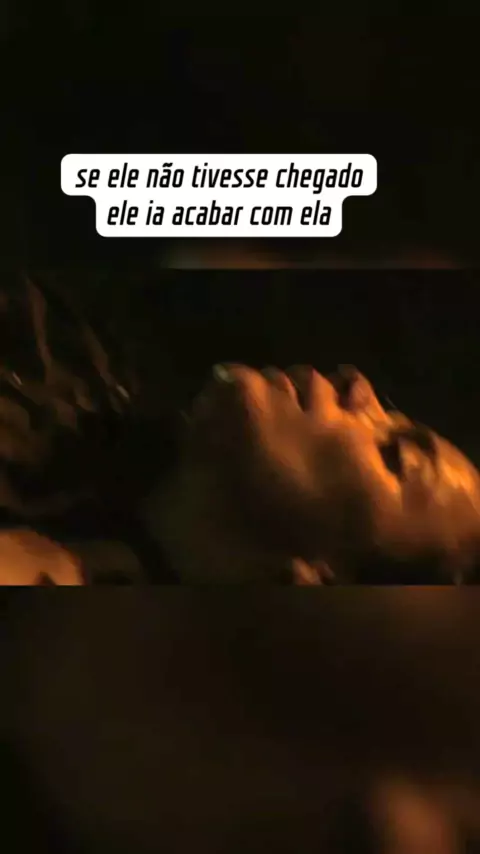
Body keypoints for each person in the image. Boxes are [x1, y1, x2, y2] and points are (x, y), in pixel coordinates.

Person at [1, 282, 480, 585]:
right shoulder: (64, 354)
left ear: (317, 578)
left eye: (395, 455)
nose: (359, 385)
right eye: (390, 412)